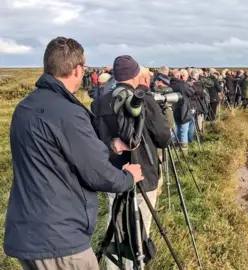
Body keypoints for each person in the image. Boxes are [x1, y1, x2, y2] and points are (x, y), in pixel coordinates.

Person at [4, 37, 144, 270]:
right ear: (78, 69)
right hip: (60, 239)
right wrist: (128, 178)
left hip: (27, 231)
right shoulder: (68, 112)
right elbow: (97, 174)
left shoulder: (26, 107)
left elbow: (55, 153)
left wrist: (112, 146)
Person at [91, 56, 171, 270]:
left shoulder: (99, 103)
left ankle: (113, 266)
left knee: (115, 223)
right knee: (140, 226)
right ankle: (136, 265)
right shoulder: (147, 101)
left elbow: (96, 139)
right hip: (144, 175)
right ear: (136, 76)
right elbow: (164, 138)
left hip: (112, 173)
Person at [170, 69, 195, 153]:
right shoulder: (182, 84)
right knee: (183, 132)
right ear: (179, 76)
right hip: (183, 111)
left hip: (172, 111)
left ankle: (174, 151)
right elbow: (191, 92)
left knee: (174, 132)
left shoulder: (168, 84)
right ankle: (184, 153)